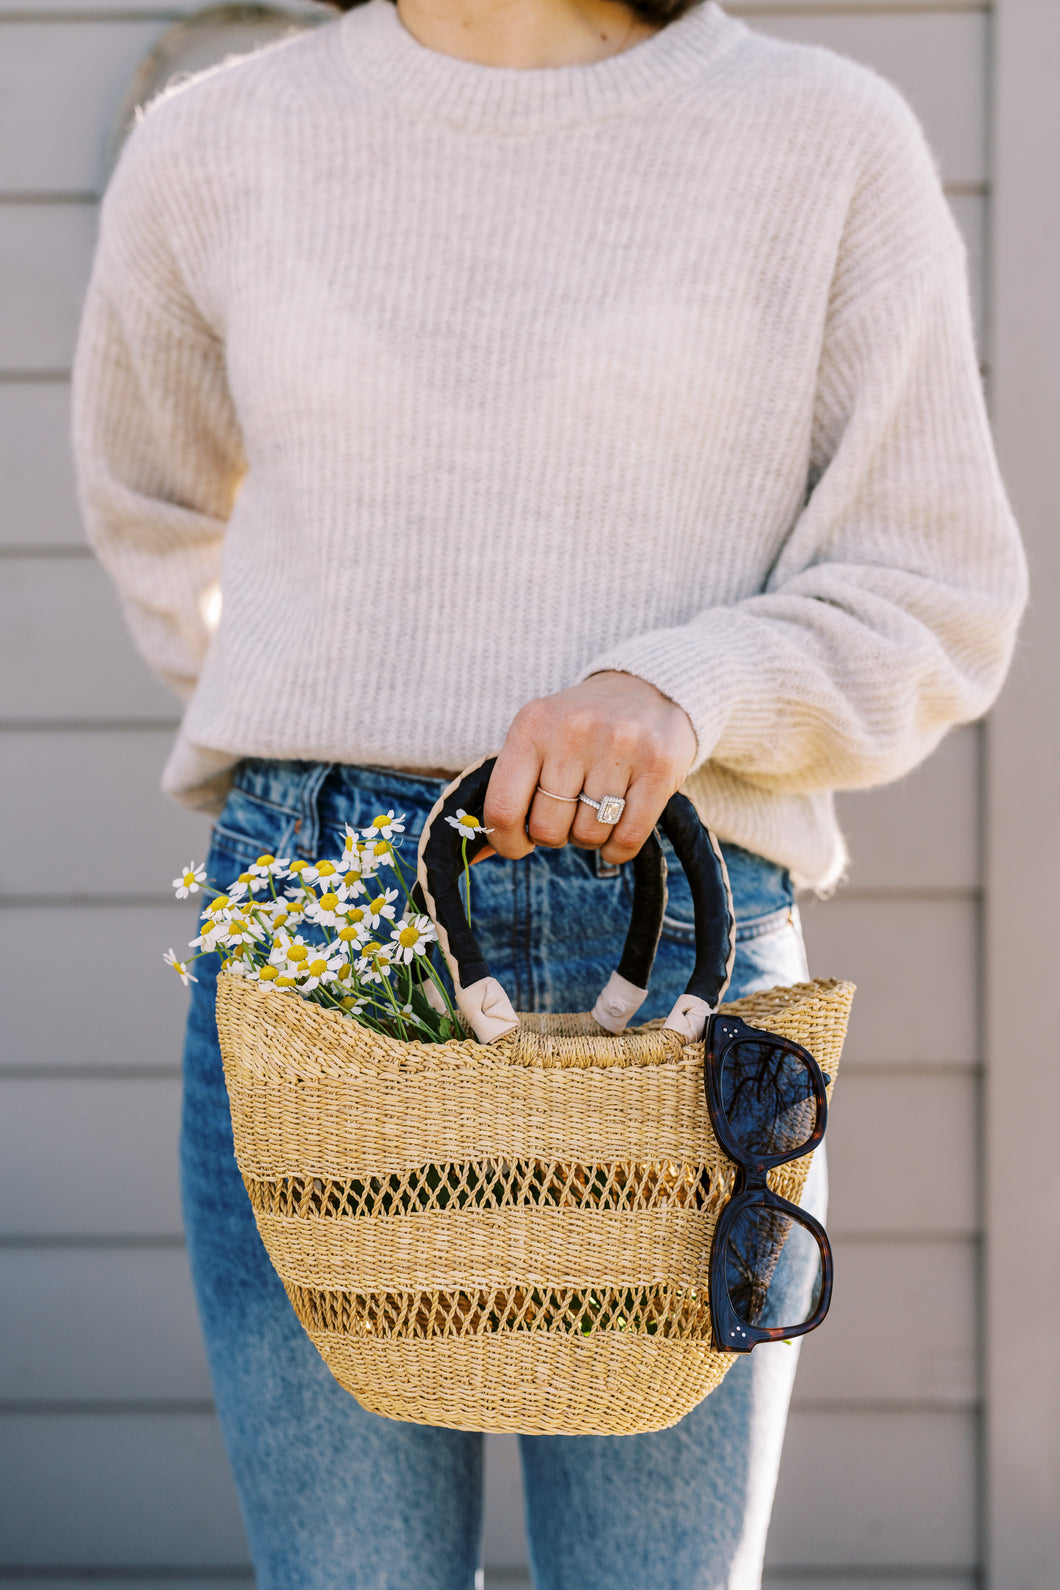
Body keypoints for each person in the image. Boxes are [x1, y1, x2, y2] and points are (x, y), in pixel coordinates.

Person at [72, 0, 1028, 1581]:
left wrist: (686, 689)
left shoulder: (819, 140)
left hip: (675, 951)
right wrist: (320, 712)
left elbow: (939, 590)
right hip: (324, 952)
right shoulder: (217, 141)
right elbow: (154, 509)